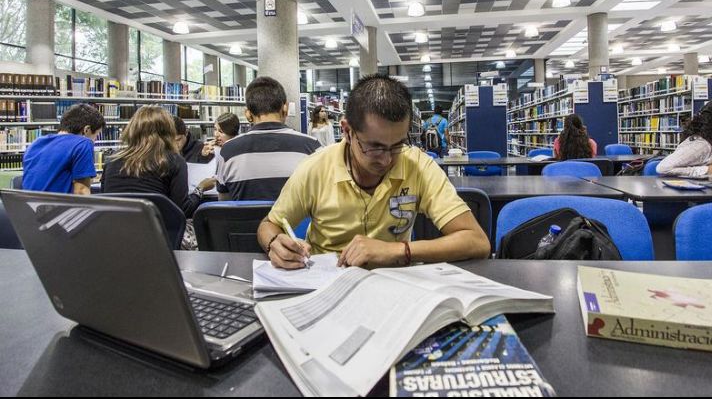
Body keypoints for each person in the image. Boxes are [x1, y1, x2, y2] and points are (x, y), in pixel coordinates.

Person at [257, 74, 490, 270]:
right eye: (375, 147)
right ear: (347, 132)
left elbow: (477, 241)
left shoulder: (418, 165)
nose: (388, 159)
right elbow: (269, 224)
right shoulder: (315, 168)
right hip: (326, 282)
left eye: (398, 145)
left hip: (394, 283)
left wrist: (398, 251)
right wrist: (274, 242)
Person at [216, 77, 321, 201]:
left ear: (248, 114)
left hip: (248, 221)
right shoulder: (312, 147)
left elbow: (224, 204)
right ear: (285, 108)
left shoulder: (228, 151)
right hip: (296, 221)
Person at [101, 106, 216, 218]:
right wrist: (200, 189)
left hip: (114, 232)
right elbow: (182, 211)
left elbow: (104, 201)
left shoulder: (111, 161)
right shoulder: (174, 161)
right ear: (168, 132)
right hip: (157, 233)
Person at [22, 103, 105, 194]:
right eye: (96, 135)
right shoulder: (83, 143)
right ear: (86, 130)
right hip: (60, 207)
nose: (95, 141)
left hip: (28, 206)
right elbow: (81, 191)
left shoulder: (36, 143)